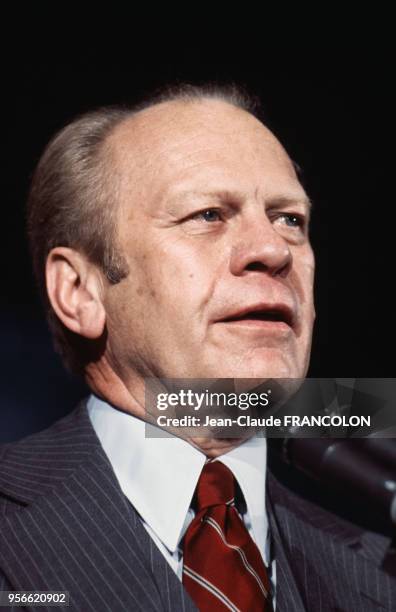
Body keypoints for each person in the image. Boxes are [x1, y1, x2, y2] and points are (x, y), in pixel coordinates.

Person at [0, 83, 394, 611]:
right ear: (80, 292)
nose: (273, 250)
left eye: (290, 219)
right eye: (208, 214)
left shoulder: (378, 563)